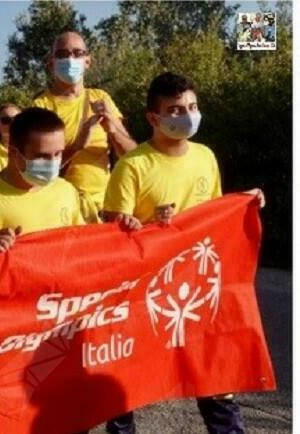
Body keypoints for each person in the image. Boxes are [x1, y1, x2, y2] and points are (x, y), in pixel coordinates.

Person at [98, 69, 267, 434]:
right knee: (127, 384)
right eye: (175, 109)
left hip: (198, 289)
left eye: (191, 106)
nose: (186, 115)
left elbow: (216, 215)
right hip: (147, 294)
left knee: (216, 379)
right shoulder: (133, 166)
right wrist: (148, 227)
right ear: (153, 118)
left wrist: (244, 203)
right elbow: (114, 234)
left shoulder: (205, 156)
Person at [32, 31, 137, 209]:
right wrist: (76, 146)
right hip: (62, 207)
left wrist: (113, 130)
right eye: (62, 54)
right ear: (51, 63)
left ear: (88, 61)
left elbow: (133, 156)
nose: (70, 59)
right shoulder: (40, 107)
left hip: (105, 206)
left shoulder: (101, 97)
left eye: (77, 53)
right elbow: (36, 171)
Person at [0, 108, 86, 251]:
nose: (52, 162)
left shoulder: (66, 191)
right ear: (13, 153)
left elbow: (80, 249)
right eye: (42, 156)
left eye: (58, 154)